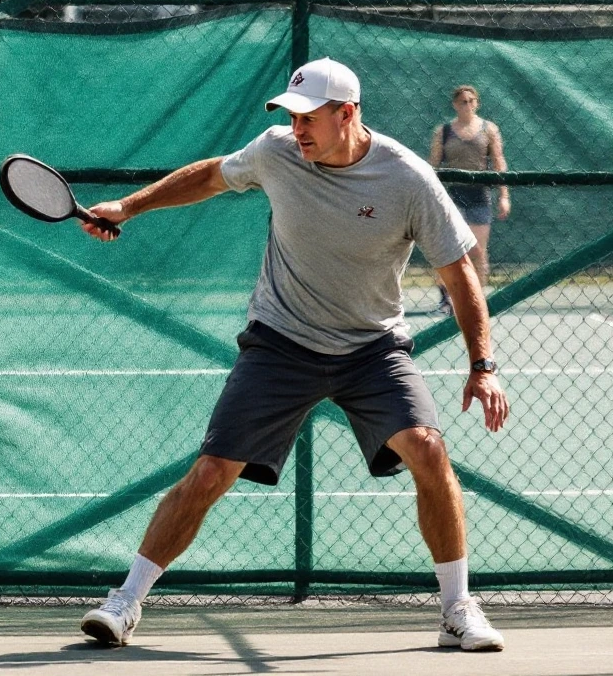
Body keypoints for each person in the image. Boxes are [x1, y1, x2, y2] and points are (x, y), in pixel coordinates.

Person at [77, 57, 511, 652]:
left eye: (310, 117)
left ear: (347, 114)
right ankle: (124, 604)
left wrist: (481, 365)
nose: (298, 128)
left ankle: (458, 609)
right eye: (291, 115)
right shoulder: (276, 151)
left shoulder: (408, 179)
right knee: (210, 473)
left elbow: (460, 274)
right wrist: (127, 207)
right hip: (281, 341)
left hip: (372, 349)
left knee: (429, 451)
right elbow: (208, 176)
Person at [428, 85, 511, 313]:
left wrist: (504, 195)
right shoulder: (443, 131)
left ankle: (477, 298)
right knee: (448, 248)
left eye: (471, 101)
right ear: (455, 105)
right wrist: (431, 196)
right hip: (453, 196)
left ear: (477, 104)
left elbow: (498, 162)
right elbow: (433, 166)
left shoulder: (489, 129)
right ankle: (446, 298)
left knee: (478, 251)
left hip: (479, 195)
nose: (467, 105)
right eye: (462, 101)